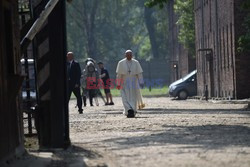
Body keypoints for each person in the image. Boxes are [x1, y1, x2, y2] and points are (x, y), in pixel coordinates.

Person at [116, 50, 145, 118]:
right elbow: (119, 75)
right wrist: (118, 83)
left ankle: (133, 110)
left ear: (132, 55)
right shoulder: (121, 63)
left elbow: (139, 74)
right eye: (127, 55)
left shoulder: (136, 62)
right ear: (125, 55)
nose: (129, 56)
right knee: (124, 97)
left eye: (130, 55)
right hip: (124, 82)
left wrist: (141, 82)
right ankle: (129, 109)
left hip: (133, 82)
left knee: (133, 97)